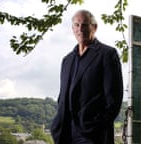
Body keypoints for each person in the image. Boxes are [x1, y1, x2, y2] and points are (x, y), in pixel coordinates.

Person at [50, 9, 123, 144]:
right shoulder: (67, 60)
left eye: (84, 25)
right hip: (66, 133)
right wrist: (56, 126)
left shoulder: (107, 54)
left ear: (94, 28)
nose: (80, 29)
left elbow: (114, 100)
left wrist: (96, 126)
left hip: (92, 135)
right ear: (72, 29)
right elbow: (62, 97)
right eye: (77, 25)